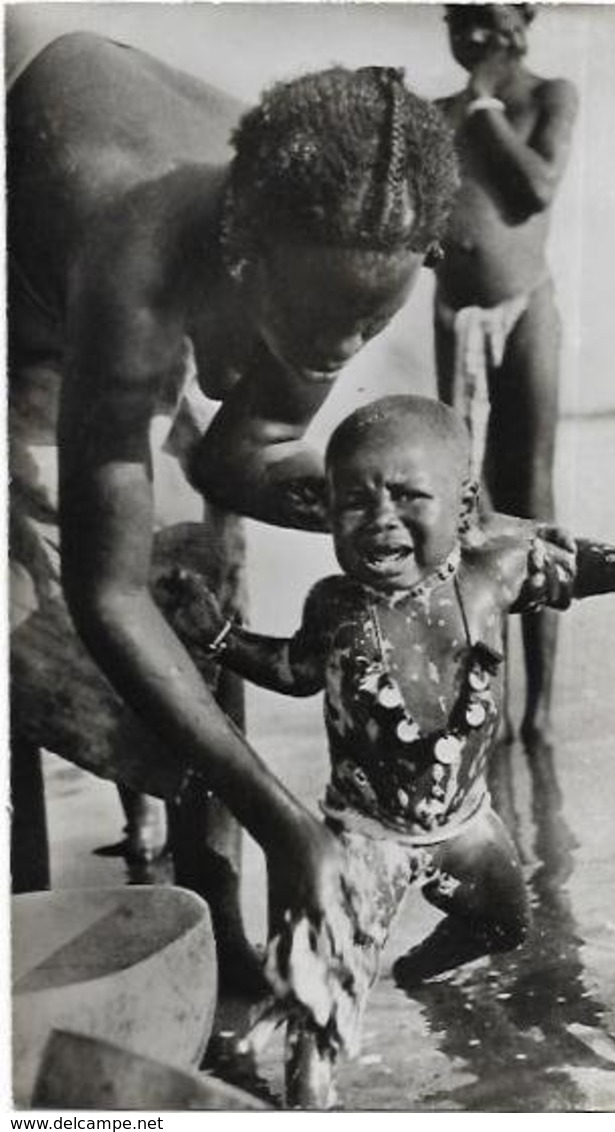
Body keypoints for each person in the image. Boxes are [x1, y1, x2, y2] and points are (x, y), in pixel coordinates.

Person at [7, 25, 464, 987]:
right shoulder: (134, 251)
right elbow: (107, 593)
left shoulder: (339, 226)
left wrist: (375, 511)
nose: (339, 349)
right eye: (322, 320)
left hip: (132, 224)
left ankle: (215, 930)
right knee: (25, 606)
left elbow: (233, 459)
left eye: (370, 321)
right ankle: (26, 950)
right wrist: (283, 817)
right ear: (247, 265)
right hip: (32, 243)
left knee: (196, 584)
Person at [157, 394, 615, 1107]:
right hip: (366, 837)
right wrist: (217, 637)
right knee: (320, 997)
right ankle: (305, 1107)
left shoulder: (491, 574)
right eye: (353, 503)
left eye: (407, 497)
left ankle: (421, 971)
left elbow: (574, 568)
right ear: (326, 513)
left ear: (463, 508)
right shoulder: (335, 606)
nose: (381, 520)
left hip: (468, 827)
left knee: (506, 922)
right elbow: (293, 672)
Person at [434, 3, 579, 755]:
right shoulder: (435, 114)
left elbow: (533, 190)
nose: (472, 39)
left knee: (532, 493)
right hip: (453, 318)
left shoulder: (548, 94)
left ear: (522, 19)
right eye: (458, 23)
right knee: (467, 508)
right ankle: (484, 705)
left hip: (526, 311)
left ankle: (541, 715)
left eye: (487, 20)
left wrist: (485, 99)